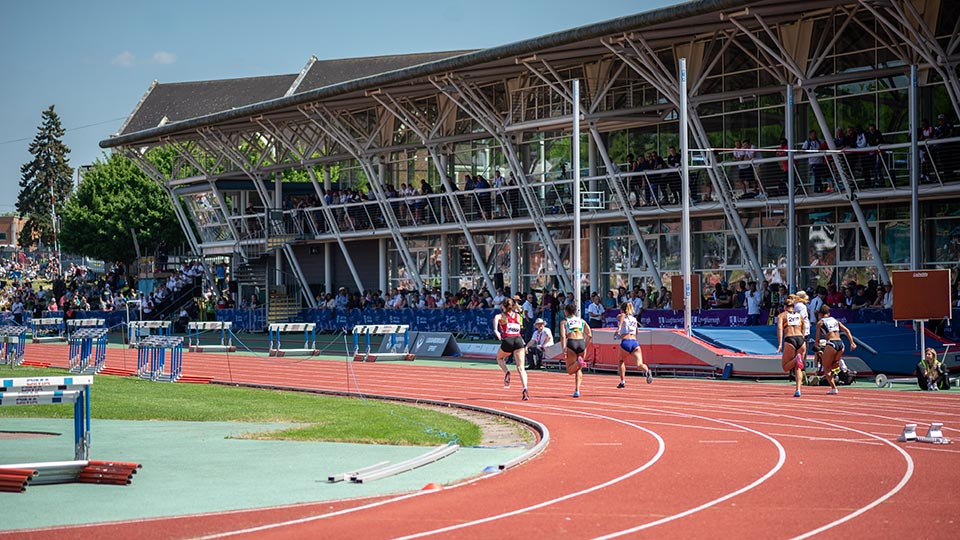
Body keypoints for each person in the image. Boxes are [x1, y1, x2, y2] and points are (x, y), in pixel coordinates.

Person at [814, 305, 857, 395]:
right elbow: (847, 330)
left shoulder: (820, 323)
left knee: (826, 368)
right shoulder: (835, 320)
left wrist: (816, 347)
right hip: (841, 344)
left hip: (831, 344)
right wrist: (852, 343)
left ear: (820, 314)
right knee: (834, 365)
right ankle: (841, 374)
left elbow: (817, 339)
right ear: (828, 313)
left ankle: (834, 388)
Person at [493, 298, 529, 400]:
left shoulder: (501, 316)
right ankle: (525, 388)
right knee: (521, 368)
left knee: (499, 358)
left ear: (502, 306)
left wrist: (496, 331)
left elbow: (496, 319)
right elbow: (521, 315)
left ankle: (507, 372)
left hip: (508, 340)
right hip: (518, 340)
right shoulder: (518, 316)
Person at [613, 301, 653, 388]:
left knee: (621, 361)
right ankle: (647, 371)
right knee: (639, 364)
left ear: (622, 309)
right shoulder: (634, 319)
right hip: (635, 343)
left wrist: (619, 328)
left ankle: (622, 381)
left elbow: (622, 316)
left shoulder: (621, 315)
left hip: (626, 342)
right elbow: (637, 332)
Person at [776, 297, 807, 397]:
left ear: (785, 307)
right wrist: (802, 339)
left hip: (790, 339)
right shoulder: (800, 316)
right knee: (798, 368)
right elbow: (804, 328)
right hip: (801, 340)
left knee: (785, 367)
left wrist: (780, 344)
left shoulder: (782, 316)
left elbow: (780, 329)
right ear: (793, 307)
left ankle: (796, 359)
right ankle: (798, 389)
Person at [559, 303, 591, 398]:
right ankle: (577, 390)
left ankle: (578, 362)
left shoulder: (564, 322)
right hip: (581, 342)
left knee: (570, 370)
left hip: (572, 342)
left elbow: (563, 336)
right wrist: (585, 345)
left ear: (566, 312)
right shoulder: (582, 321)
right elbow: (589, 335)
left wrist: (564, 348)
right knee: (578, 369)